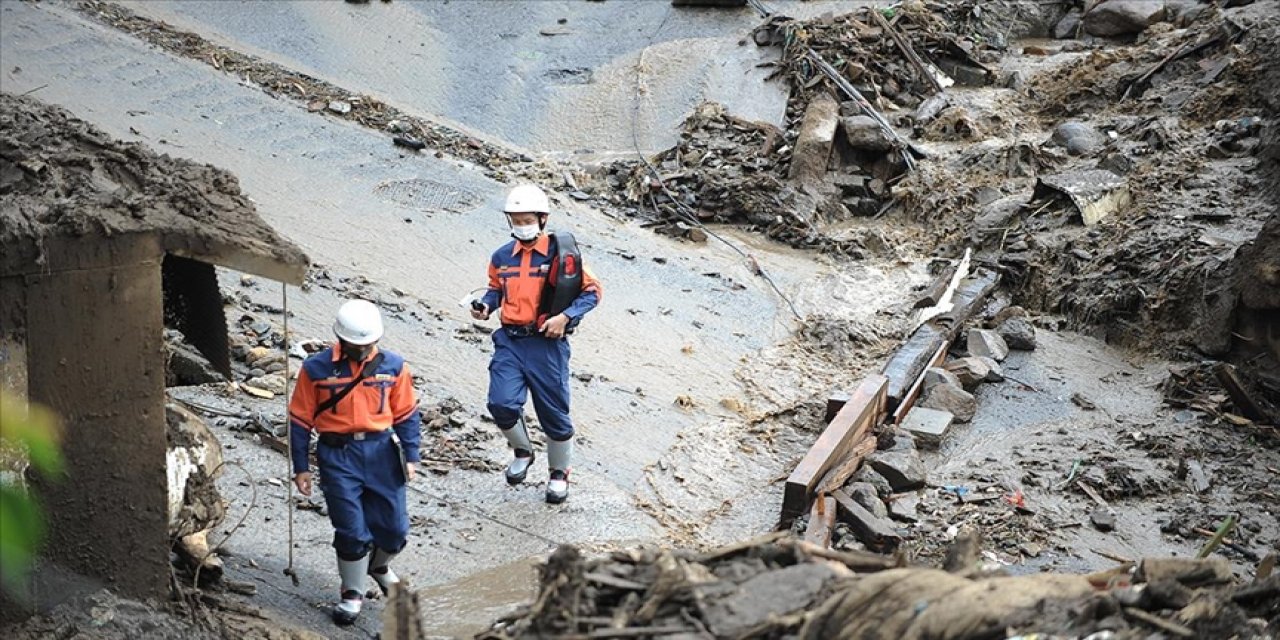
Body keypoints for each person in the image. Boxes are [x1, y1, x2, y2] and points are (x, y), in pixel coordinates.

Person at [288, 299, 421, 625]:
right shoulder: (316, 369)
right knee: (351, 529)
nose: (362, 350)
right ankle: (352, 592)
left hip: (382, 453)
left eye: (368, 344)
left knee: (394, 529)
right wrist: (301, 466)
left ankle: (378, 566)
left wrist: (412, 455)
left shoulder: (394, 367)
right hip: (338, 455)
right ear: (341, 339)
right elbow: (300, 419)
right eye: (355, 344)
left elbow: (406, 414)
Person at [471, 184, 602, 503]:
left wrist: (565, 318)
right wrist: (486, 305)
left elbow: (592, 292)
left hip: (547, 345)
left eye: (526, 219)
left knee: (554, 414)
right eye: (514, 220)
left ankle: (559, 473)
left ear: (543, 219)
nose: (520, 226)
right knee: (501, 404)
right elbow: (495, 289)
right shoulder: (501, 256)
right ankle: (522, 451)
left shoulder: (564, 255)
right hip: (510, 342)